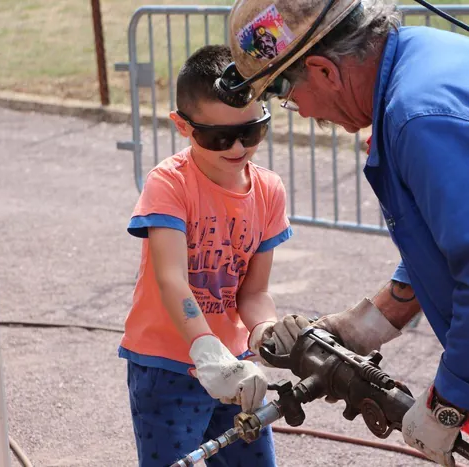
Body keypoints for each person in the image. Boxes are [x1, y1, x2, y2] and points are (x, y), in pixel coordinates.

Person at [220, 0, 469, 466]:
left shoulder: (420, 117)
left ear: (323, 69)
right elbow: (460, 233)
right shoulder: (422, 60)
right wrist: (372, 322)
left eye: (284, 90)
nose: (298, 110)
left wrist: (447, 405)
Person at [117, 44, 305, 467]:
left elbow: (254, 293)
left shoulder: (269, 189)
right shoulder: (169, 183)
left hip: (237, 368)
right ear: (183, 127)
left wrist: (264, 333)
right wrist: (204, 349)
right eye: (218, 137)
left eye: (252, 131)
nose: (237, 147)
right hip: (168, 367)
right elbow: (171, 278)